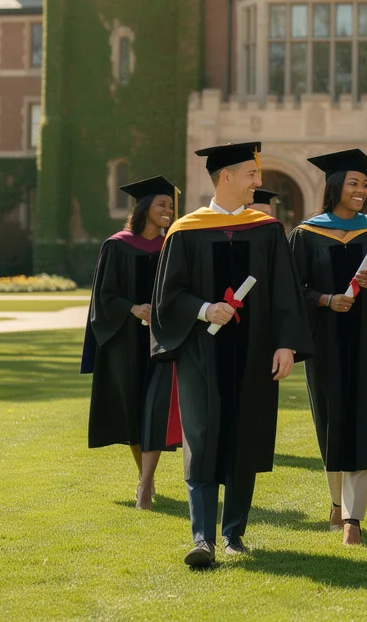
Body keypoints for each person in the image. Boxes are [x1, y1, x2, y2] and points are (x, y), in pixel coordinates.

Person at [150, 142, 314, 568]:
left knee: (244, 437)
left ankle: (234, 535)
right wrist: (205, 309)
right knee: (202, 440)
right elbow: (167, 299)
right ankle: (202, 538)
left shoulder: (268, 231)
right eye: (251, 175)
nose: (259, 183)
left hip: (255, 353)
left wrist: (286, 344)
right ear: (226, 177)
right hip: (200, 354)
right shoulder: (186, 231)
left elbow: (285, 293)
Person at [289, 150, 367, 546]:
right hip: (326, 343)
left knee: (365, 423)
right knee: (330, 422)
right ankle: (337, 503)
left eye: (364, 184)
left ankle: (354, 519)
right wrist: (325, 300)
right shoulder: (307, 234)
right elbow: (292, 292)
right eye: (353, 183)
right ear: (335, 186)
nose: (361, 190)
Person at [81, 175, 181, 510]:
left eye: (170, 205)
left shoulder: (172, 246)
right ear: (144, 208)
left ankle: (144, 484)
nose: (168, 210)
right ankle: (146, 480)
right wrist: (133, 308)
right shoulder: (117, 245)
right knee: (133, 409)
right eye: (161, 205)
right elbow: (104, 297)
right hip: (126, 340)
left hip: (162, 340)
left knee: (154, 408)